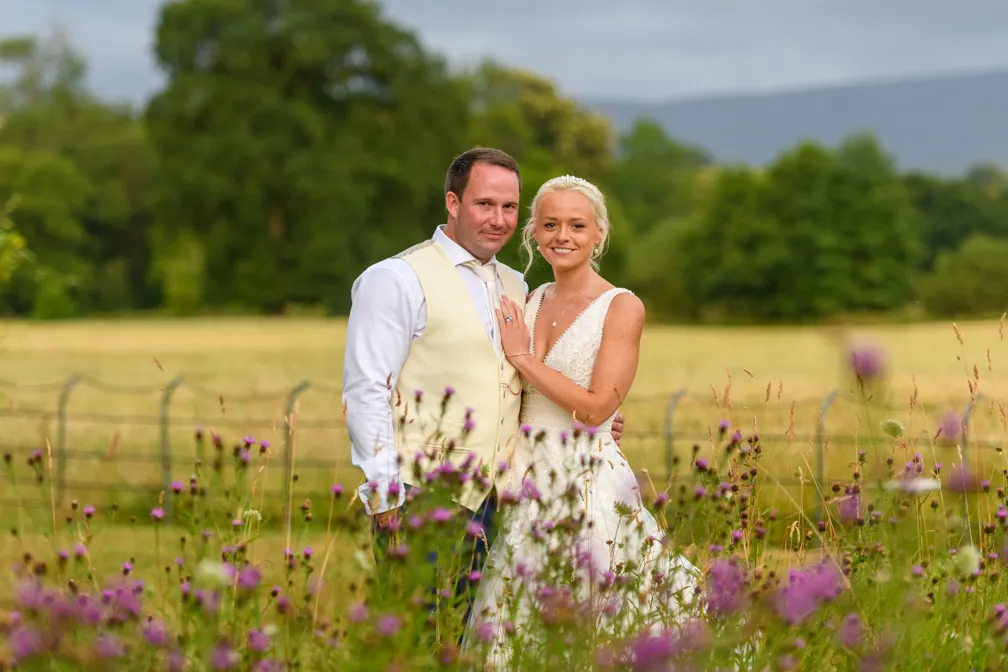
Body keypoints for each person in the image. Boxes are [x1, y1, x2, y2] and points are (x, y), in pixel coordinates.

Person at [341, 147, 625, 626]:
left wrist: (599, 421)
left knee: (474, 639)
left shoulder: (519, 285)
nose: (498, 219)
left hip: (503, 499)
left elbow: (525, 378)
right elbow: (367, 388)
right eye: (484, 204)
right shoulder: (396, 278)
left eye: (509, 207)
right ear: (452, 203)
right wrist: (385, 493)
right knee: (414, 638)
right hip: (421, 494)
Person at [461, 174, 701, 667]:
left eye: (576, 225)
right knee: (516, 613)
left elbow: (595, 408)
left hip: (586, 480)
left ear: (599, 234)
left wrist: (524, 359)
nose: (562, 236)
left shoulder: (621, 306)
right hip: (524, 479)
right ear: (533, 231)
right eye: (550, 224)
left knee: (599, 607)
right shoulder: (528, 299)